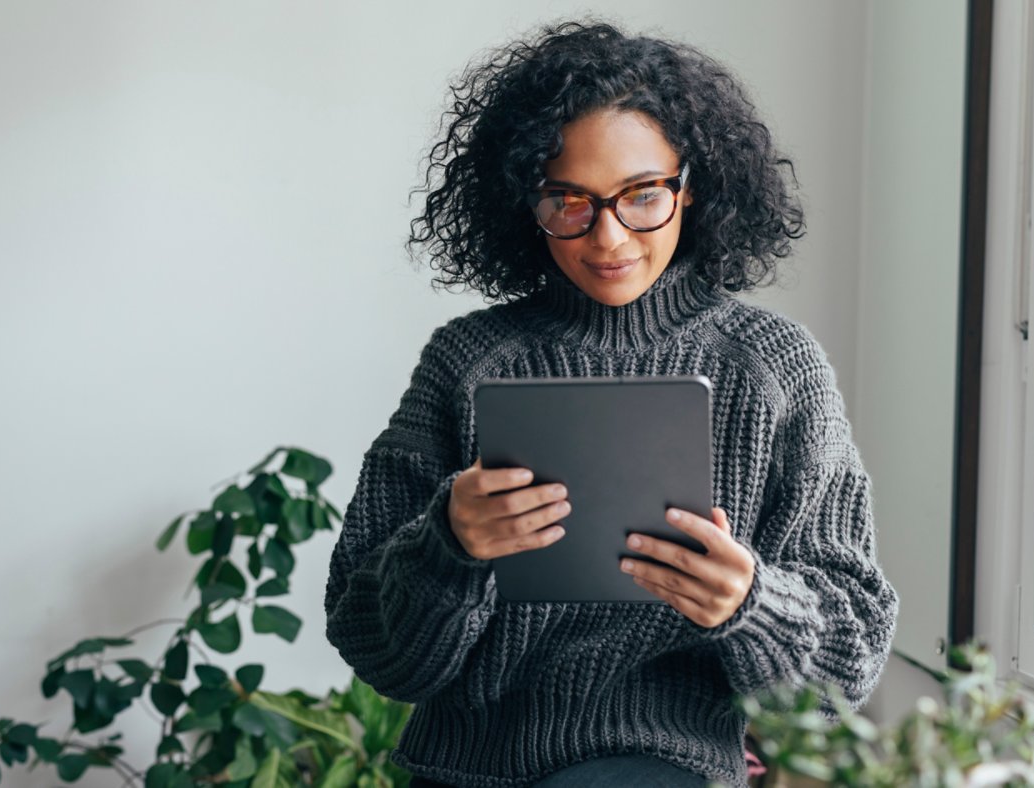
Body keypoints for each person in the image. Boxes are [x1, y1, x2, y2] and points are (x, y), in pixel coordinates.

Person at [322, 18, 898, 788]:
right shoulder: (466, 362)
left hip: (664, 759)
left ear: (691, 188)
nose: (608, 236)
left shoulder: (774, 368)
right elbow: (374, 645)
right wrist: (449, 545)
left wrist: (751, 604)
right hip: (466, 766)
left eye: (641, 196)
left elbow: (845, 661)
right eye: (569, 202)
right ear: (523, 200)